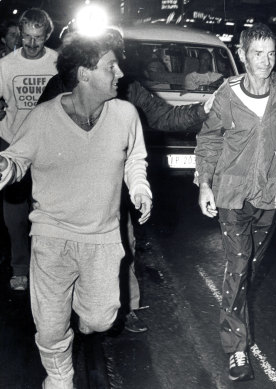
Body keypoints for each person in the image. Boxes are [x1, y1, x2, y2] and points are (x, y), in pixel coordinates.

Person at [0, 31, 152, 389]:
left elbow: (135, 158)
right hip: (52, 237)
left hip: (101, 237)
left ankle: (85, 315)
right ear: (85, 73)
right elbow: (17, 158)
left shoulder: (125, 114)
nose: (119, 74)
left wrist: (140, 187)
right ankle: (59, 377)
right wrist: (7, 166)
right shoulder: (42, 118)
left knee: (101, 319)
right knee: (51, 325)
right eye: (110, 67)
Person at [38, 27, 208, 333]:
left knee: (123, 246)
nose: (118, 68)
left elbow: (164, 117)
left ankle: (127, 307)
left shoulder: (128, 88)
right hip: (66, 196)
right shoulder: (58, 86)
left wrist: (204, 109)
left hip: (109, 192)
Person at [195, 23, 276, 381]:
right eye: (257, 54)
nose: (265, 61)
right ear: (243, 55)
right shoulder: (226, 95)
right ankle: (236, 349)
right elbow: (210, 140)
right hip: (231, 196)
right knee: (238, 266)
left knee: (248, 269)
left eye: (271, 53)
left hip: (270, 197)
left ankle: (236, 329)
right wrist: (204, 183)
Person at [0, 8, 58, 291]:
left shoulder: (59, 63)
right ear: (19, 33)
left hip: (50, 146)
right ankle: (20, 266)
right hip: (12, 143)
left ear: (48, 35)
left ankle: (49, 266)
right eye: (26, 37)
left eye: (38, 38)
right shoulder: (6, 66)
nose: (32, 45)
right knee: (15, 213)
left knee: (50, 211)